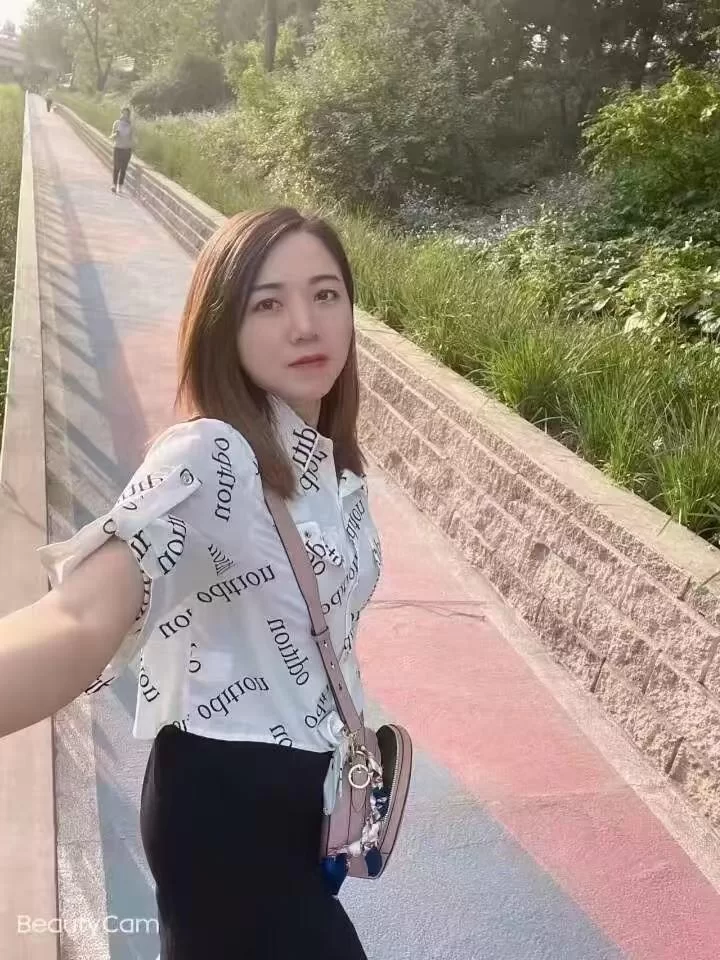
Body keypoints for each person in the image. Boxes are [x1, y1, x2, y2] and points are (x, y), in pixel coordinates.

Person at [0, 208, 382, 959]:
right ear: (221, 327)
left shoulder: (331, 465)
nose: (305, 325)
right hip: (228, 815)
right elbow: (78, 618)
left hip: (303, 806)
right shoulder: (211, 456)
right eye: (267, 304)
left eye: (325, 294)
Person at [110, 106, 134, 194]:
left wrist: (132, 143)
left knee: (123, 169)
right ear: (121, 113)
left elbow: (133, 138)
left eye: (126, 114)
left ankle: (120, 186)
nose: (124, 115)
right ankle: (114, 185)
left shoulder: (131, 125)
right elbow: (111, 136)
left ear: (128, 115)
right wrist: (115, 134)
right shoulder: (117, 123)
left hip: (127, 149)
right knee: (116, 168)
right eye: (123, 113)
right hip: (117, 148)